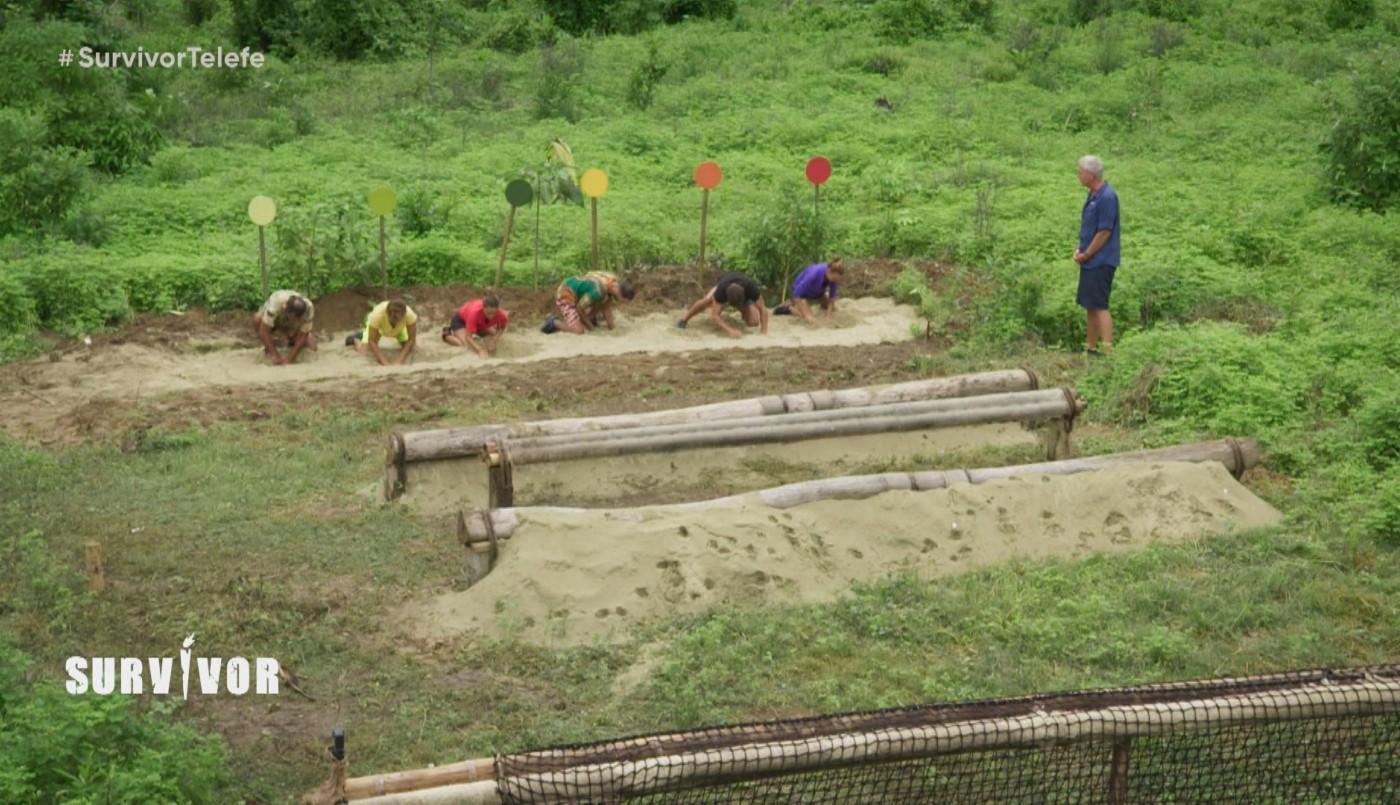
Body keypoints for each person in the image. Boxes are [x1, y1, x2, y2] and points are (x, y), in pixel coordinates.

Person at [1073, 154, 1120, 357]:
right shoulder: (1092, 195)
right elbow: (1090, 229)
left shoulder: (1107, 197)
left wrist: (1088, 253)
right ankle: (1091, 348)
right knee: (1090, 305)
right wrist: (1080, 249)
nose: (1078, 175)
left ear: (1091, 174)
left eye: (1080, 172)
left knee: (1100, 305)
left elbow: (1104, 232)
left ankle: (1108, 351)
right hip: (1089, 260)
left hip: (1101, 260)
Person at [676, 272, 769, 337]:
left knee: (754, 322)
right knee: (706, 300)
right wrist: (730, 330)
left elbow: (763, 309)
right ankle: (685, 319)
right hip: (724, 282)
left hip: (742, 291)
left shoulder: (751, 288)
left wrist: (763, 331)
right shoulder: (720, 291)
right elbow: (715, 316)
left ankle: (744, 315)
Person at [542, 271, 636, 335]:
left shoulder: (611, 279)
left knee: (605, 300)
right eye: (622, 301)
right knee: (578, 331)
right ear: (619, 293)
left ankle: (588, 319)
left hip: (579, 289)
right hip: (566, 294)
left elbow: (606, 307)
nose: (621, 303)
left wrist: (612, 328)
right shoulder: (598, 291)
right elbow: (579, 308)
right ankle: (553, 322)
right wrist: (592, 329)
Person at [253, 290, 316, 366]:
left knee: (312, 348)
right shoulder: (276, 303)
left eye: (296, 318)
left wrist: (290, 359)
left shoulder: (309, 308)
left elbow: (304, 334)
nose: (293, 320)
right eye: (292, 317)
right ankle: (269, 347)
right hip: (276, 320)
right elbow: (264, 330)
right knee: (257, 319)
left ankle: (291, 341)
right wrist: (275, 356)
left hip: (293, 327)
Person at [346, 298, 417, 366]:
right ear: (387, 313)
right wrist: (385, 362)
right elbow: (372, 341)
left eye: (397, 318)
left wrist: (399, 361)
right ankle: (356, 340)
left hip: (400, 329)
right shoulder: (377, 315)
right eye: (392, 317)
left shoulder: (410, 315)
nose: (394, 319)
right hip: (378, 328)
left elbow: (412, 340)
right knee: (364, 352)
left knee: (413, 348)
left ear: (404, 314)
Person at [775, 257, 844, 323]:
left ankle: (815, 307)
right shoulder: (814, 273)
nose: (836, 280)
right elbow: (796, 294)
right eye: (835, 278)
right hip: (802, 294)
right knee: (808, 317)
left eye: (838, 279)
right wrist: (807, 315)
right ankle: (789, 307)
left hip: (818, 292)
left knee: (834, 309)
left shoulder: (834, 279)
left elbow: (831, 300)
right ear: (829, 271)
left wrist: (828, 316)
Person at [444, 294, 509, 359]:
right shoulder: (474, 314)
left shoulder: (501, 314)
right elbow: (468, 337)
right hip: (461, 321)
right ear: (483, 308)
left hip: (479, 323)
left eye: (494, 313)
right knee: (466, 345)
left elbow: (502, 327)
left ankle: (477, 330)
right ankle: (447, 335)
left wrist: (494, 340)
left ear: (498, 309)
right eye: (488, 313)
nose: (491, 316)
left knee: (493, 333)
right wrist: (480, 350)